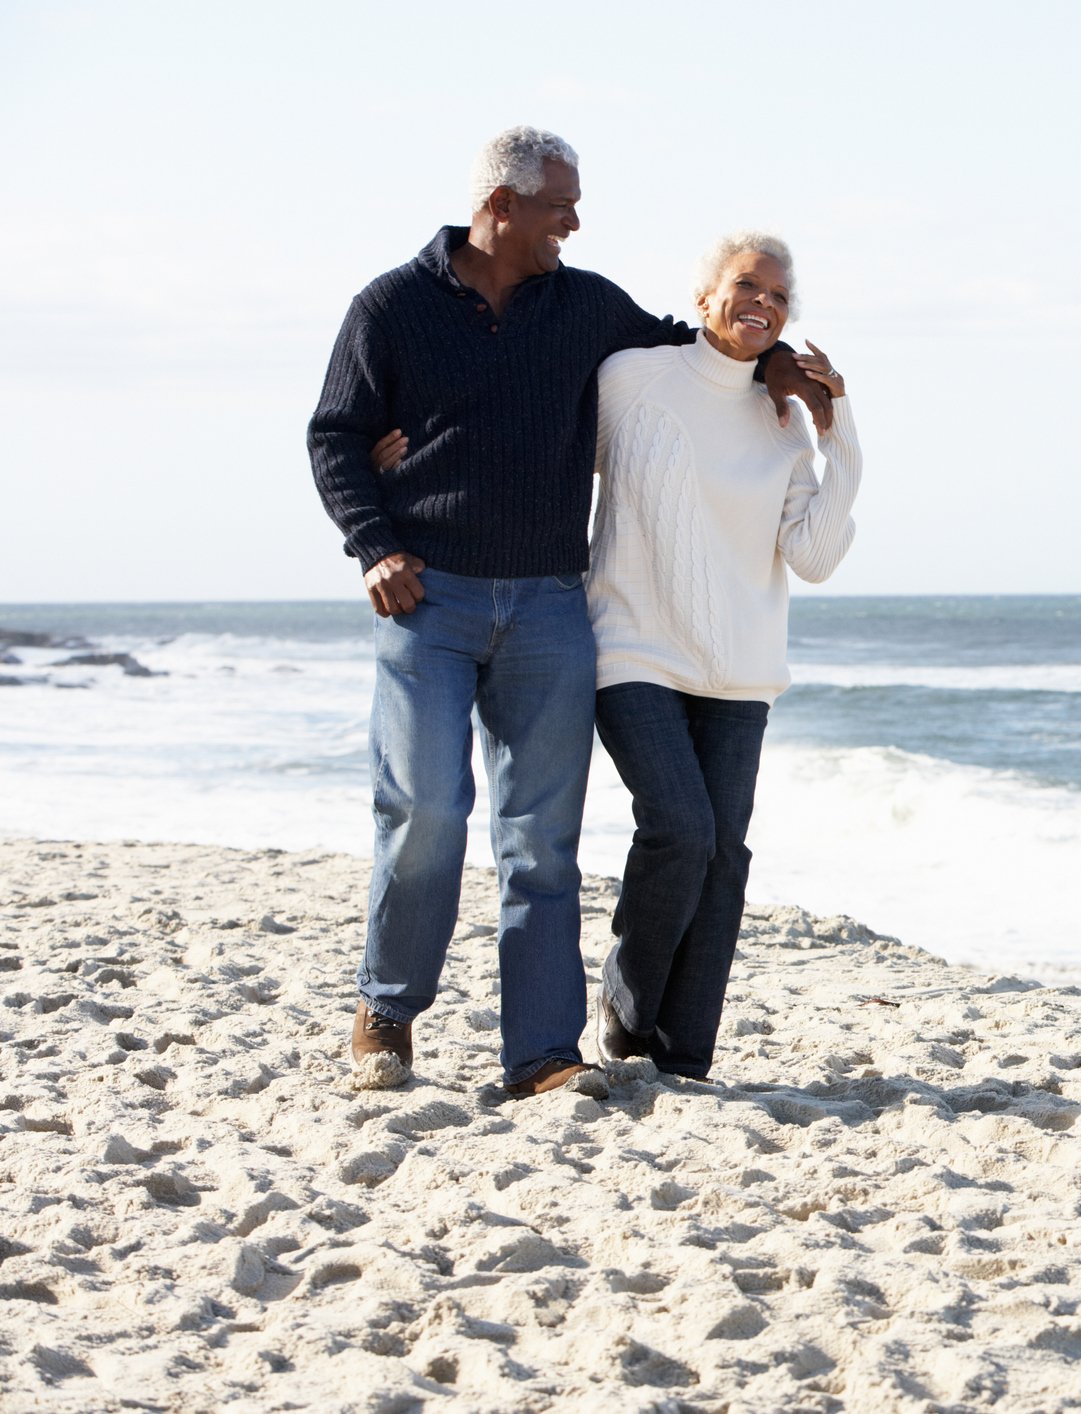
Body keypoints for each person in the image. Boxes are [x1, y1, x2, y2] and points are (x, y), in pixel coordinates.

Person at [307, 127, 830, 1097]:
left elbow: (695, 346)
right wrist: (373, 545)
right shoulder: (390, 305)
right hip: (430, 597)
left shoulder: (586, 307)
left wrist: (776, 368)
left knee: (540, 839)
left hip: (551, 605)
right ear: (502, 206)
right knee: (427, 809)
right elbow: (335, 435)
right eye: (562, 207)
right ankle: (386, 1010)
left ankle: (542, 1054)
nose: (576, 224)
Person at [589, 232, 859, 1078]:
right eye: (748, 285)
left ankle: (683, 1055)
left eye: (780, 297)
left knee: (725, 856)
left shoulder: (781, 422)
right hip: (632, 645)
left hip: (739, 670)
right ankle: (628, 1014)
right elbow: (553, 458)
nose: (764, 303)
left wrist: (837, 431)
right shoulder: (632, 378)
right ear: (705, 295)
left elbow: (813, 557)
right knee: (680, 830)